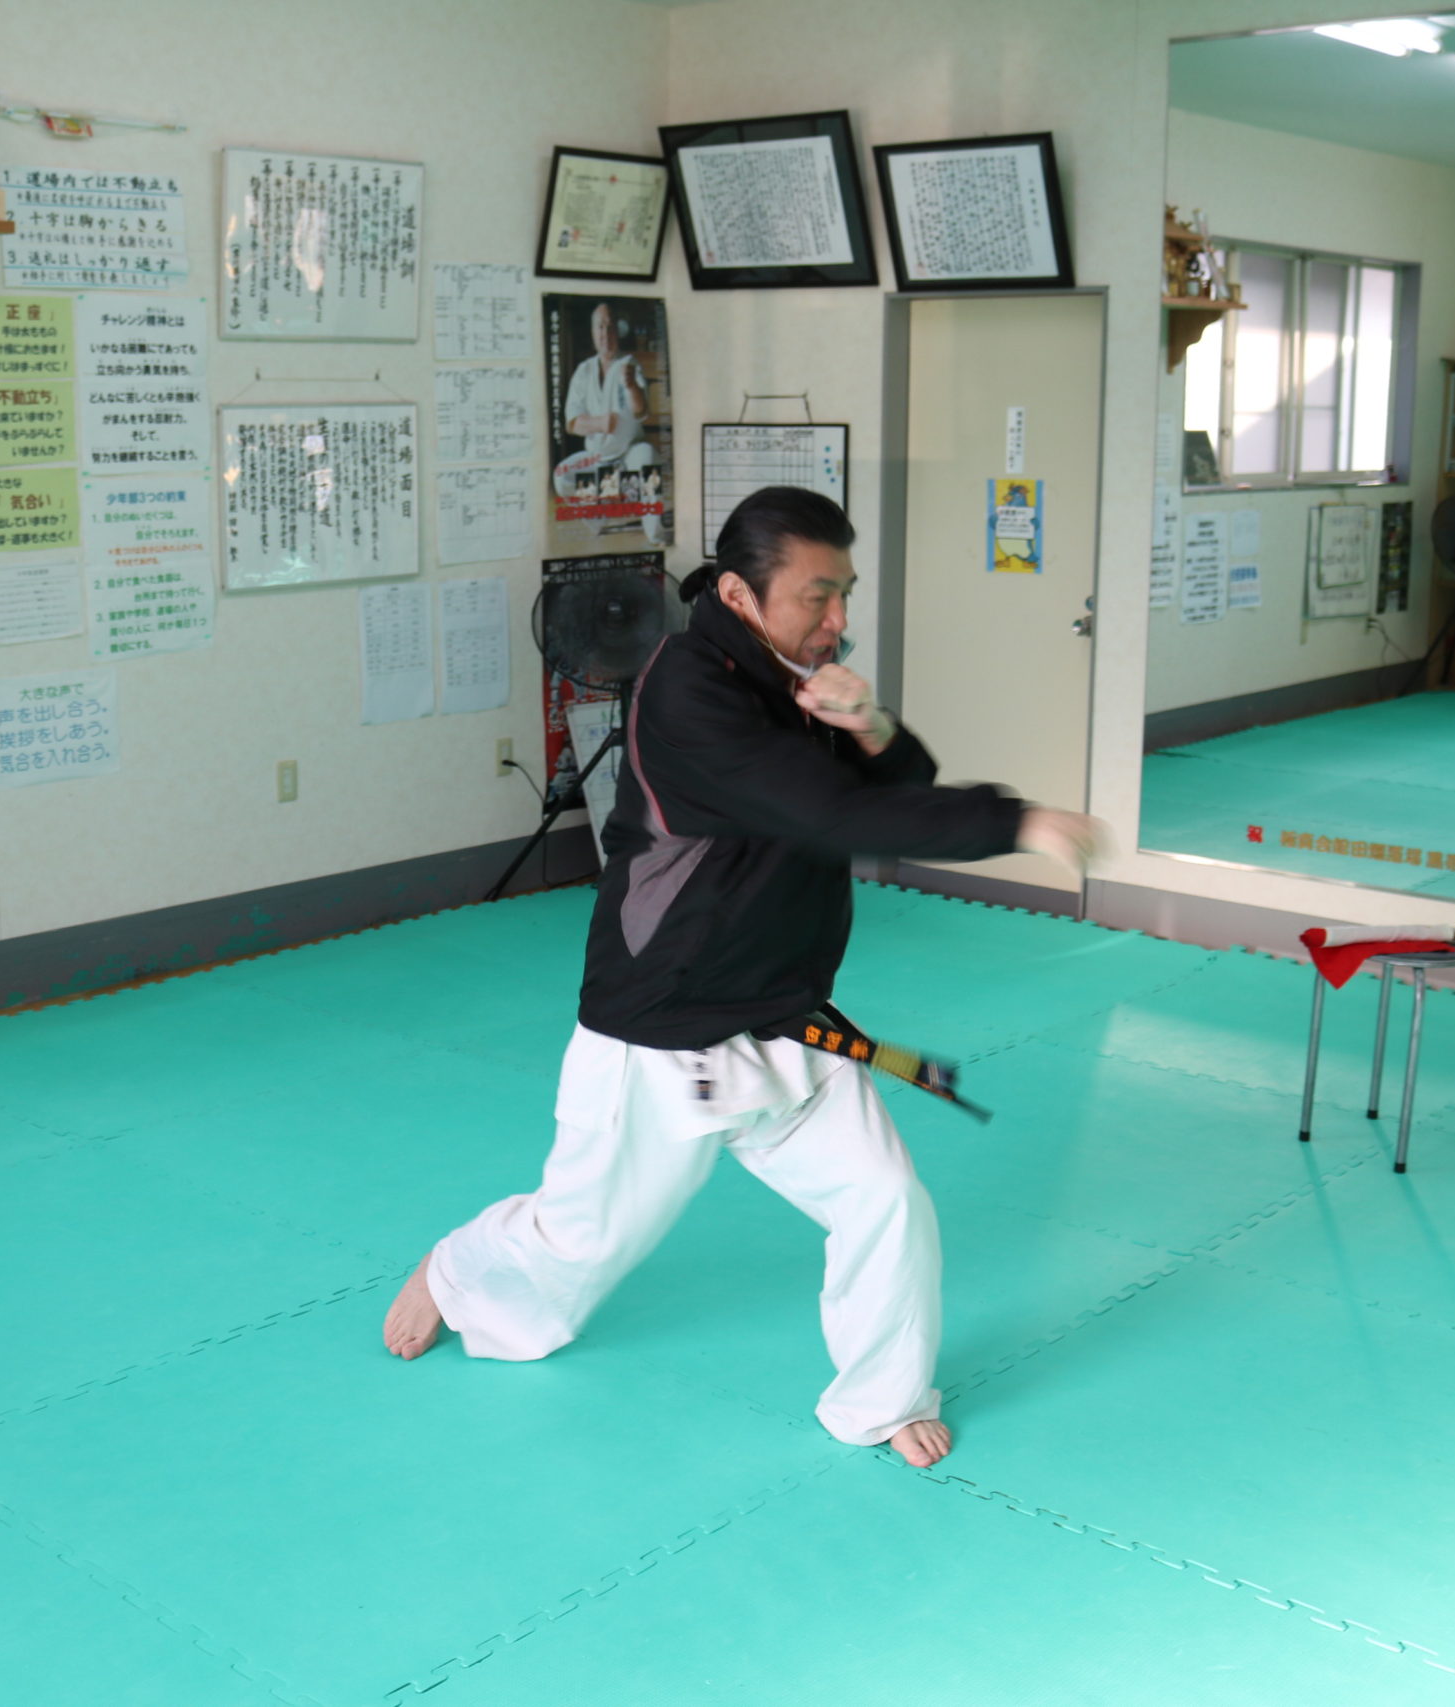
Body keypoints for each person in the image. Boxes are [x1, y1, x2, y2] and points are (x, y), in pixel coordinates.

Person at [384, 486, 1101, 1468]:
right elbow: (831, 814)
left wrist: (871, 722)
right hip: (662, 1024)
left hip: (783, 1015)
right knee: (580, 1241)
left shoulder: (796, 676)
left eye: (845, 593)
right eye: (817, 596)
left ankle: (882, 1401)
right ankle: (456, 1270)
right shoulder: (688, 692)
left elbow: (894, 789)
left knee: (886, 1200)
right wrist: (1016, 822)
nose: (837, 619)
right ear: (736, 593)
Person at [552, 302, 651, 499]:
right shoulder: (584, 370)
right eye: (600, 327)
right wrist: (600, 423)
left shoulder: (629, 363)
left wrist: (632, 386)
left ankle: (613, 495)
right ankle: (613, 496)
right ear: (593, 333)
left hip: (628, 454)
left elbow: (641, 411)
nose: (605, 334)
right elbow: (572, 423)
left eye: (610, 327)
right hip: (596, 458)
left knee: (647, 459)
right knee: (561, 478)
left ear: (617, 332)